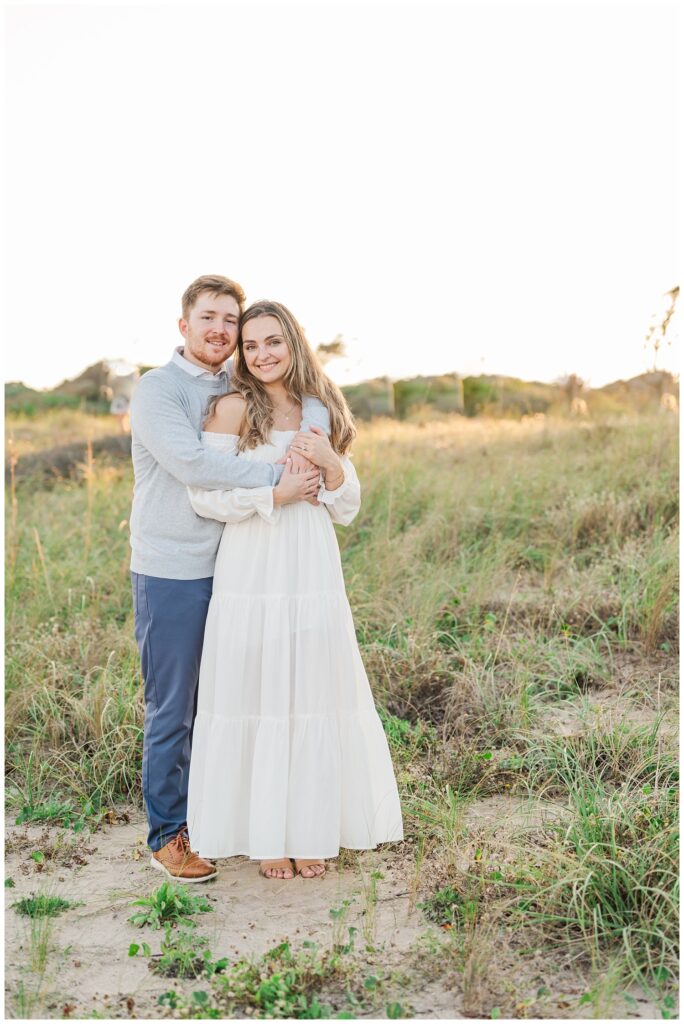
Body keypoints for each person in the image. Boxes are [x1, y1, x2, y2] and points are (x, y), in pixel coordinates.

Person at [185, 300, 404, 880]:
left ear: (294, 342)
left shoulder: (321, 407)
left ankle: (309, 830)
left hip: (310, 562)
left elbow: (347, 503)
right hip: (254, 562)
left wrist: (331, 463)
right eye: (250, 345)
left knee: (309, 687)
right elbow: (204, 496)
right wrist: (274, 495)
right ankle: (267, 839)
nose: (261, 355)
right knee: (258, 690)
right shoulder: (232, 408)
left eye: (272, 342)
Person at [129, 276, 330, 883]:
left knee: (239, 697)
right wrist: (277, 483)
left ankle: (232, 815)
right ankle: (168, 833)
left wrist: (313, 430)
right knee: (176, 706)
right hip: (176, 566)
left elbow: (303, 400)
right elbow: (190, 463)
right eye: (208, 317)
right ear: (183, 324)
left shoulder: (237, 384)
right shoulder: (157, 390)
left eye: (230, 321)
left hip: (243, 566)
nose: (221, 330)